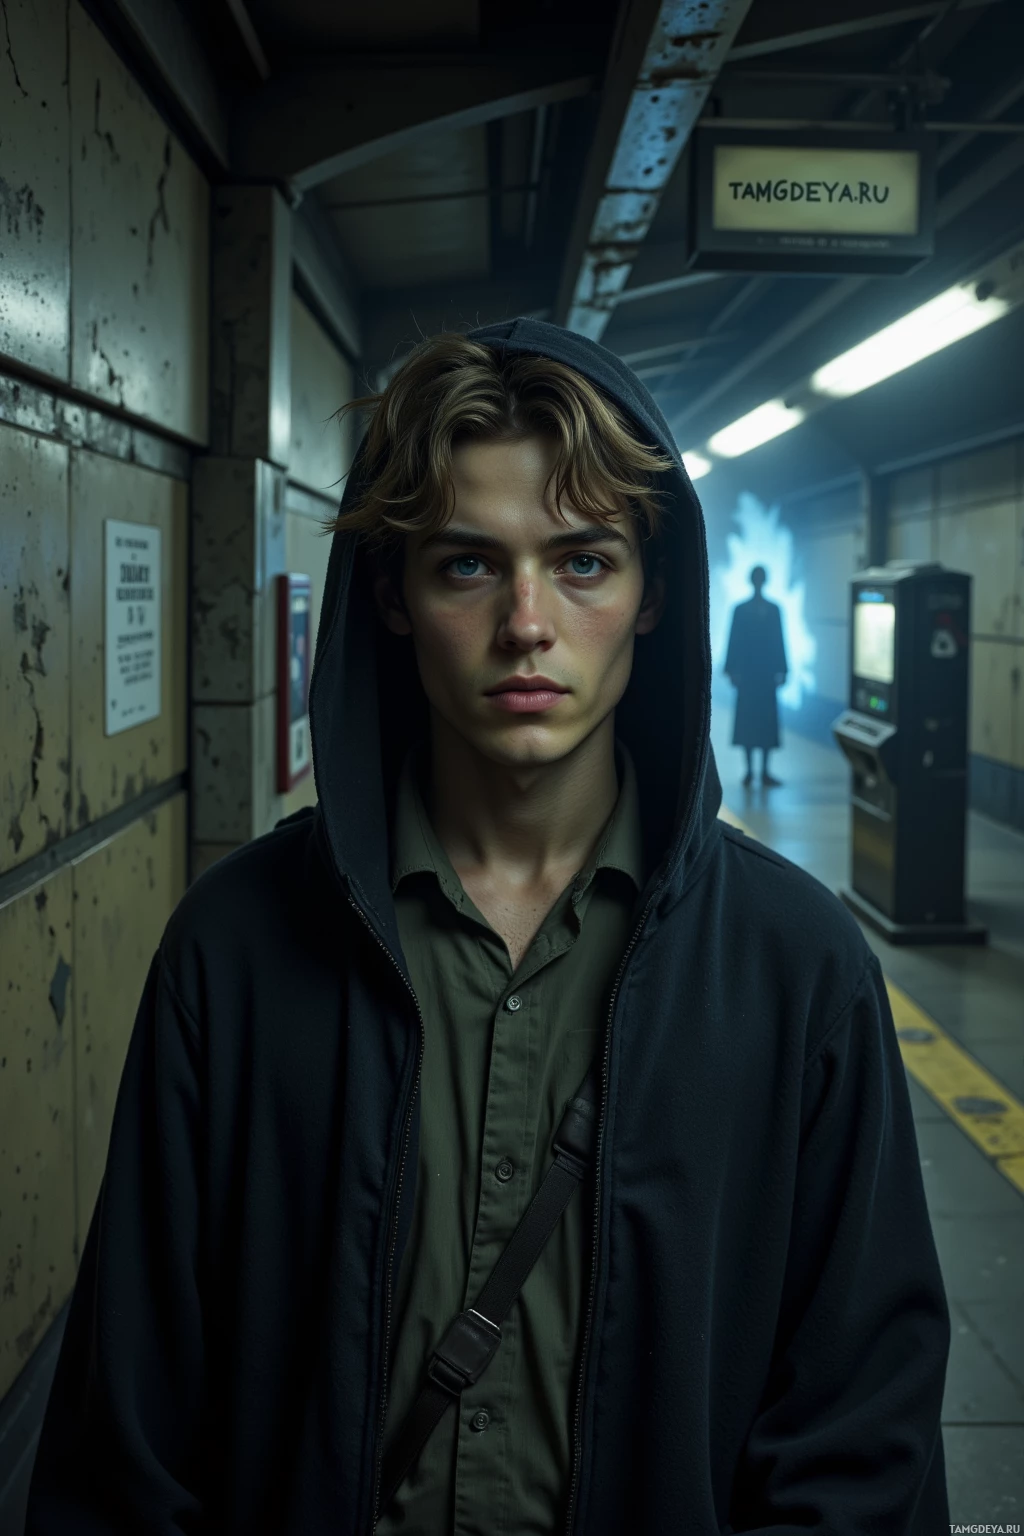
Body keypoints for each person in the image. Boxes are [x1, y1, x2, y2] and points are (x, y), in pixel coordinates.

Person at [25, 320, 950, 1535]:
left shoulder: (796, 969)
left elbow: (858, 1432)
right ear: (391, 596)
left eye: (582, 563)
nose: (526, 623)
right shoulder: (233, 950)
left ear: (652, 595)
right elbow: (132, 1429)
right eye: (467, 564)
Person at [724, 564, 788, 787]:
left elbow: (780, 641)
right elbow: (733, 640)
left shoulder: (773, 610)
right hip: (749, 675)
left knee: (765, 723)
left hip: (765, 675)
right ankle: (750, 771)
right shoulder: (741, 610)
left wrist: (783, 669)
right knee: (749, 722)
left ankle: (765, 771)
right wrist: (732, 669)